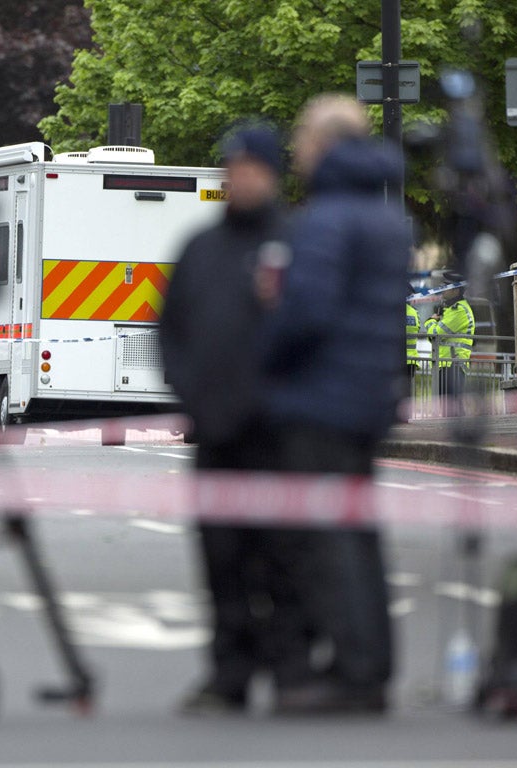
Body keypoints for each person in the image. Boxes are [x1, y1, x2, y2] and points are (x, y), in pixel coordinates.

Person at [259, 94, 410, 714]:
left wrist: (265, 354)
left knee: (328, 542)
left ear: (326, 144)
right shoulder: (388, 219)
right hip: (367, 398)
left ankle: (352, 673)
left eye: (301, 135)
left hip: (322, 399)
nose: (295, 148)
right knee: (361, 535)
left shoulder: (325, 219)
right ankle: (370, 662)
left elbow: (305, 312)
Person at [160, 124, 309, 713]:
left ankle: (292, 669)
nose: (240, 177)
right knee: (223, 561)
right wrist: (190, 393)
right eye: (232, 167)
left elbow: (312, 330)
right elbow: (170, 331)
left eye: (251, 167)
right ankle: (230, 674)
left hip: (278, 433)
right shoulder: (200, 248)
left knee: (284, 557)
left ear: (272, 175)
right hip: (215, 431)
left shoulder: (296, 244)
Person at [423, 272, 475, 415]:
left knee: (452, 410)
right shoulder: (451, 309)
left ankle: (459, 435)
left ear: (456, 290)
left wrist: (431, 321)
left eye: (446, 287)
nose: (442, 289)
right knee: (447, 408)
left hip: (453, 364)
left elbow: (435, 335)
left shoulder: (458, 310)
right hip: (446, 364)